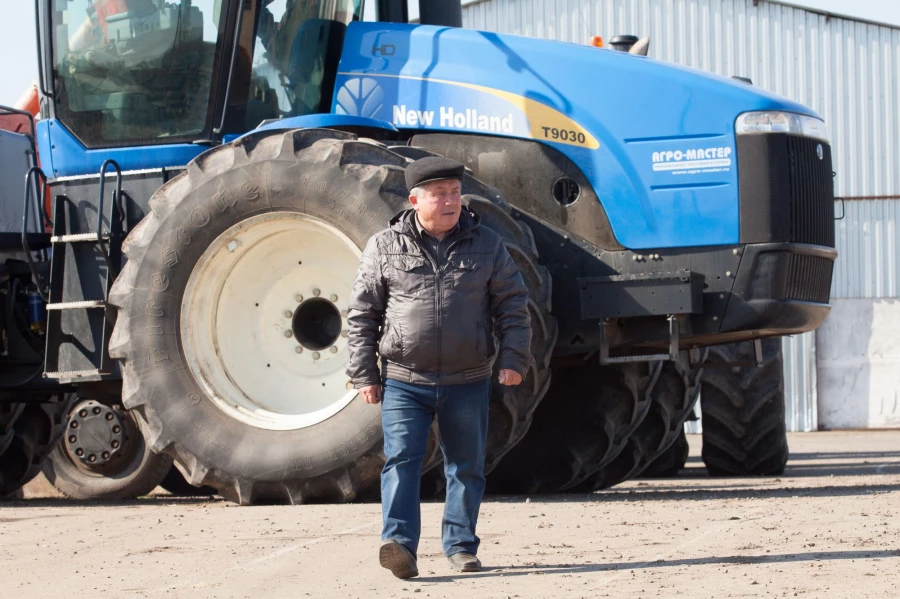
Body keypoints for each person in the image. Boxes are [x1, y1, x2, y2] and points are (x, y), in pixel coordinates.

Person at [346, 156, 532, 579]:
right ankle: (399, 545)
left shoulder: (487, 244)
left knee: (465, 465)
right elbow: (363, 314)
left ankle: (461, 547)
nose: (450, 201)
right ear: (414, 200)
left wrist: (513, 358)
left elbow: (513, 308)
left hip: (468, 380)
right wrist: (364, 373)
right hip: (404, 381)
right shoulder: (384, 246)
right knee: (401, 461)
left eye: (454, 192)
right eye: (439, 194)